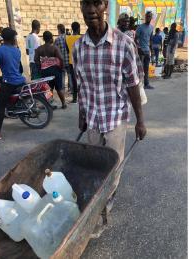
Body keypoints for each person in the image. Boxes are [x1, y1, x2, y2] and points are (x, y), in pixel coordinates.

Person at [74, 0, 147, 232]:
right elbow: (81, 85)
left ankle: (105, 204)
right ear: (81, 7)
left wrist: (140, 121)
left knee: (113, 168)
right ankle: (98, 202)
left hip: (115, 118)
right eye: (86, 3)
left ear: (105, 5)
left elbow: (133, 85)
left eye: (97, 3)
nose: (91, 9)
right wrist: (81, 114)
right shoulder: (78, 48)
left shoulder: (124, 44)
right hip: (93, 119)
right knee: (95, 167)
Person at [0, 28, 26, 140]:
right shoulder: (17, 50)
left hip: (9, 83)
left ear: (3, 38)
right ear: (13, 39)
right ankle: (11, 107)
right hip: (20, 80)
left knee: (0, 107)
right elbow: (18, 67)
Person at [35, 31, 67, 109]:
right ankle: (63, 104)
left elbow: (36, 60)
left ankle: (49, 105)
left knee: (48, 89)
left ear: (44, 39)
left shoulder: (39, 49)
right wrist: (62, 67)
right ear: (50, 39)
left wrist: (40, 69)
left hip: (45, 71)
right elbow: (61, 59)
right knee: (59, 88)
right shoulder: (54, 48)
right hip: (55, 70)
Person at [135, 11, 154, 89]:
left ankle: (146, 84)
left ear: (151, 18)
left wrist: (151, 50)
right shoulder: (140, 27)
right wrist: (139, 48)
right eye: (147, 16)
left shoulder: (151, 27)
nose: (148, 18)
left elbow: (151, 39)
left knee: (146, 68)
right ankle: (139, 85)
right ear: (145, 17)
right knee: (140, 69)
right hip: (141, 51)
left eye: (150, 16)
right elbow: (135, 39)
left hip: (147, 51)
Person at [65, 22, 81, 103]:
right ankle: (82, 98)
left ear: (72, 28)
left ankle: (75, 99)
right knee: (82, 80)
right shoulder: (81, 38)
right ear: (78, 28)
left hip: (72, 62)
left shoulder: (67, 38)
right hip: (81, 62)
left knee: (74, 81)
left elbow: (68, 50)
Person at [54, 24, 70, 96]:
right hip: (69, 60)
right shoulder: (69, 37)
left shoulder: (57, 39)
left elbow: (54, 50)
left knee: (62, 76)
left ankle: (62, 90)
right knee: (70, 75)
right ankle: (71, 90)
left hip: (61, 61)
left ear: (59, 30)